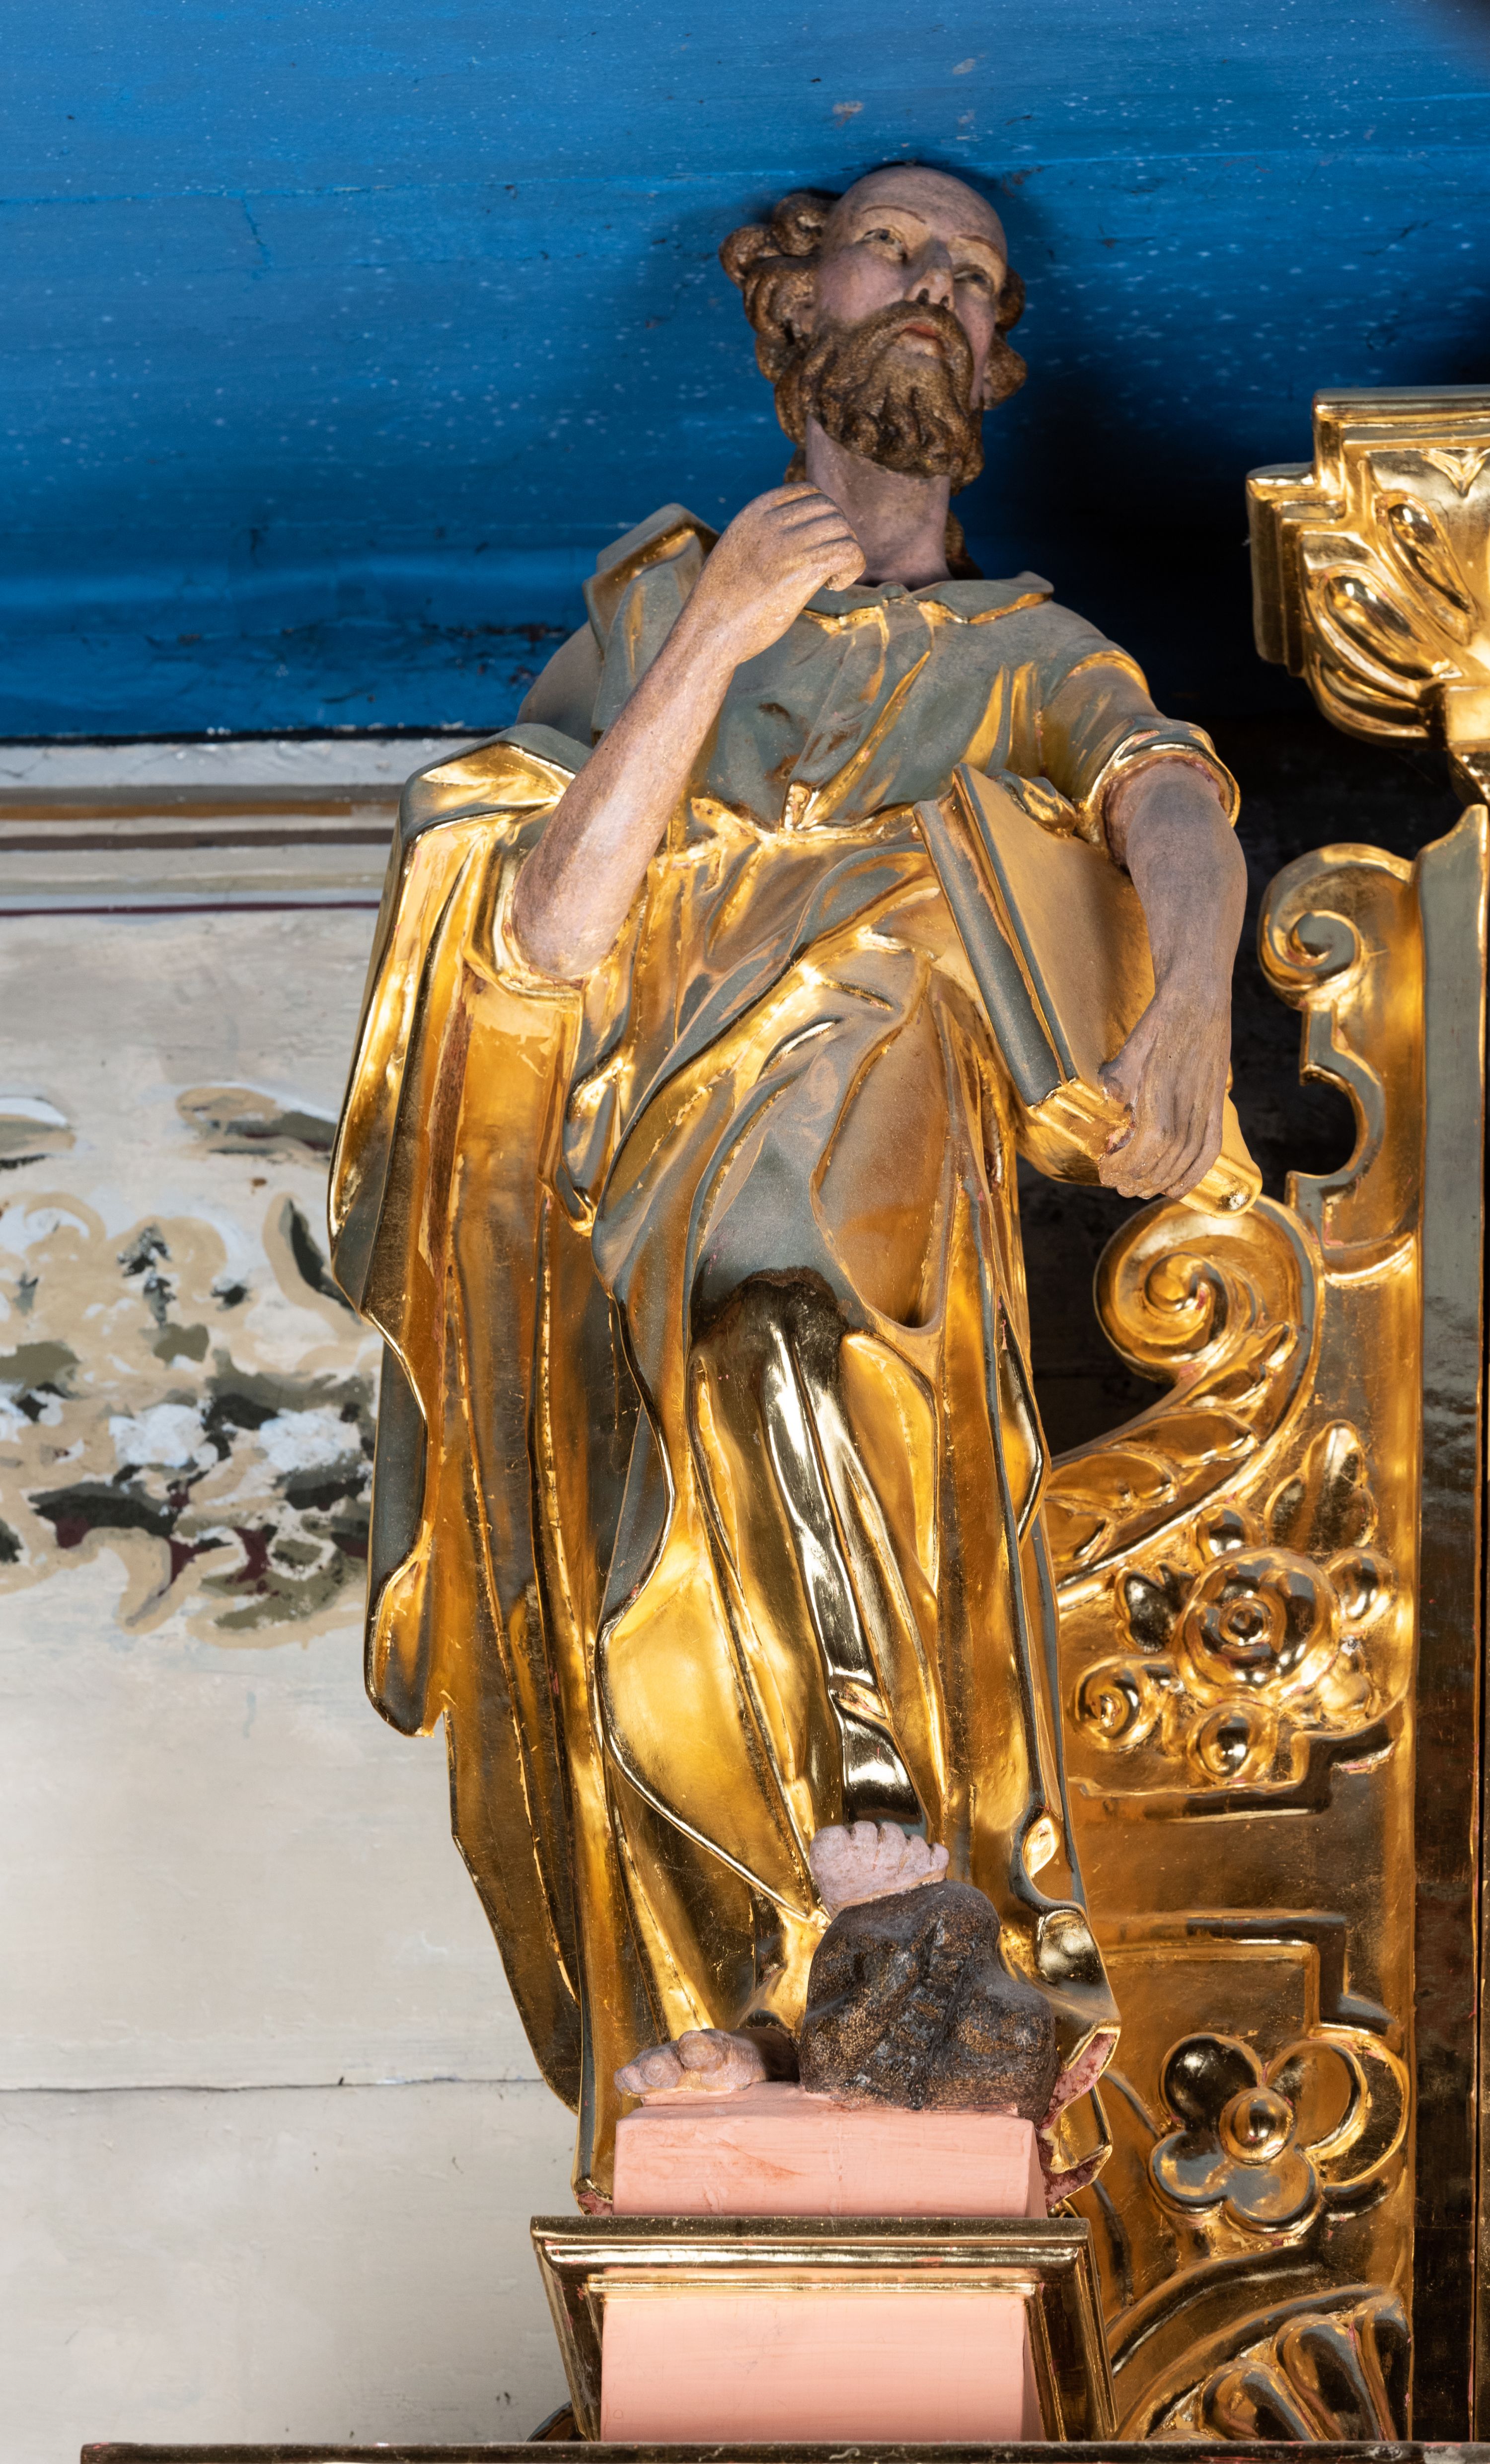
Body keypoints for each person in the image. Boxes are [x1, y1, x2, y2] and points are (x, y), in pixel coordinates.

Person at [329, 162, 1247, 2206]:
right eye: (894, 248)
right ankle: (747, 1986)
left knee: (794, 1363)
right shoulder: (659, 614)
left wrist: (1188, 1001)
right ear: (792, 302)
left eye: (975, 276)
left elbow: (1170, 795)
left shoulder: (1026, 650)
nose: (936, 285)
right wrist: (720, 634)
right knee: (646, 1555)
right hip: (639, 1185)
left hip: (880, 1195)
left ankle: (885, 1846)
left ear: (997, 358)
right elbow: (542, 932)